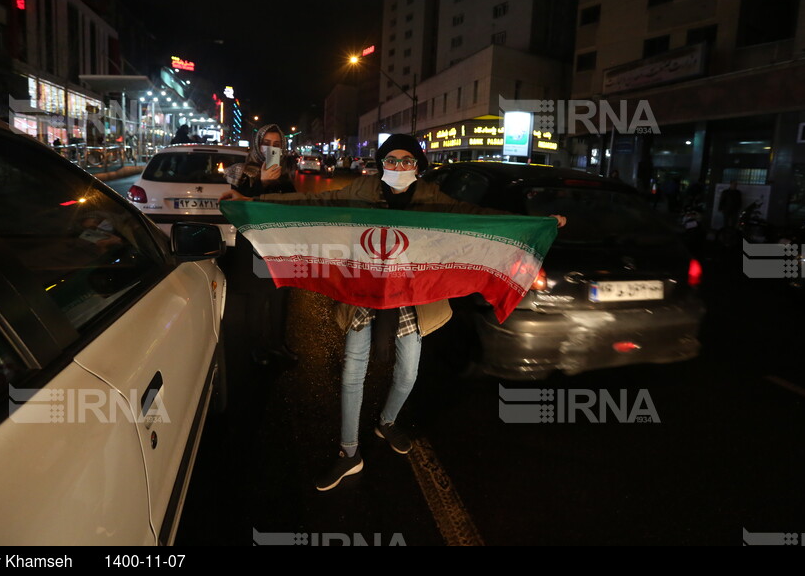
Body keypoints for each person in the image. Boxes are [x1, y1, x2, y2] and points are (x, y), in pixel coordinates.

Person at [221, 134, 565, 491]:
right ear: (381, 163)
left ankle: (387, 421)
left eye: (407, 161)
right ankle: (349, 453)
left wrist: (537, 223)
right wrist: (252, 200)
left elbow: (475, 216)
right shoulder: (360, 189)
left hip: (412, 295)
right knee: (353, 372)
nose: (399, 167)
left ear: (418, 166)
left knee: (408, 371)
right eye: (392, 160)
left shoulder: (431, 196)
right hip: (362, 291)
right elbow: (312, 200)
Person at [220, 125, 297, 366]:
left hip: (280, 245)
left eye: (276, 144)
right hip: (255, 245)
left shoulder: (285, 173)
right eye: (267, 143)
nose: (271, 148)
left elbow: (292, 205)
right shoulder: (241, 172)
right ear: (257, 144)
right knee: (257, 297)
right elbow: (240, 208)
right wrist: (261, 183)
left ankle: (278, 344)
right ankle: (257, 348)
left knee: (279, 297)